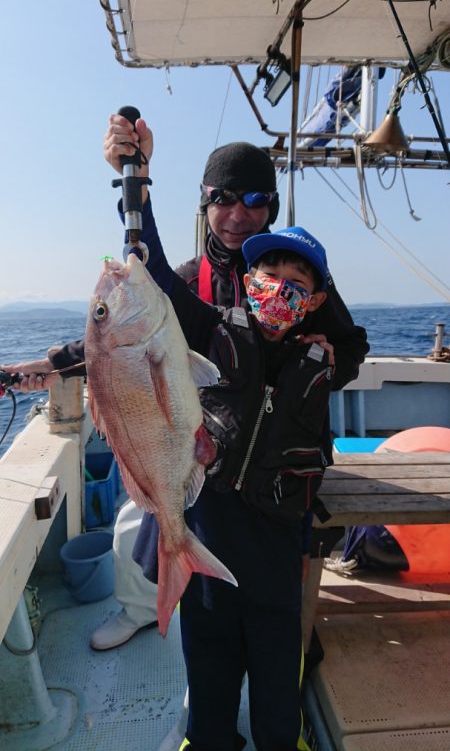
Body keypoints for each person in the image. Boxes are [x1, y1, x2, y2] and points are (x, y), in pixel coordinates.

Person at [2, 115, 369, 656]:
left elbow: (353, 349)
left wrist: (326, 363)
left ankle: (268, 649)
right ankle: (144, 611)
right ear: (205, 202)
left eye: (255, 199)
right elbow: (119, 342)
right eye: (223, 198)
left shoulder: (293, 278)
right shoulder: (187, 277)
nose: (238, 215)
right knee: (137, 525)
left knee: (258, 589)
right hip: (203, 451)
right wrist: (45, 364)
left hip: (275, 469)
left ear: (271, 207)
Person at [129, 213, 332, 751]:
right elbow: (158, 281)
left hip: (276, 562)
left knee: (277, 692)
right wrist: (139, 192)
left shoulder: (317, 367)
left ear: (313, 301)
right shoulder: (213, 331)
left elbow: (314, 461)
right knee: (211, 679)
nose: (279, 287)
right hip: (209, 539)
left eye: (297, 282)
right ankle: (209, 738)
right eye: (268, 270)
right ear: (247, 280)